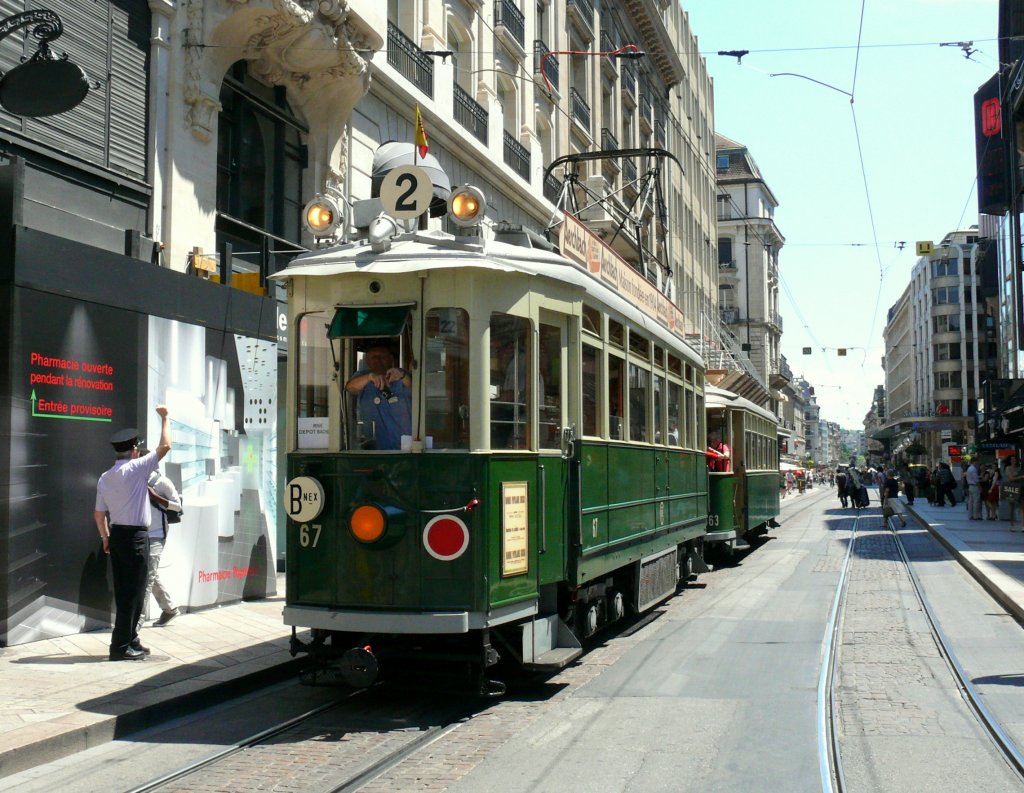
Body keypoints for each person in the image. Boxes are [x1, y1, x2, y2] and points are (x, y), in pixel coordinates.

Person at [94, 405, 172, 661]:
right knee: (133, 593)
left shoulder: (105, 477)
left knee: (128, 590)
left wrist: (105, 538)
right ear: (135, 450)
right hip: (137, 537)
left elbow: (98, 514)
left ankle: (132, 640)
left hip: (117, 536)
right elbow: (165, 446)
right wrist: (165, 418)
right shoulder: (137, 468)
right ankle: (119, 647)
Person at [137, 450, 181, 631]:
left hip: (156, 534)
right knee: (149, 573)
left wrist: (156, 497)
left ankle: (137, 622)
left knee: (147, 576)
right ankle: (169, 609)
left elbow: (178, 506)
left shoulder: (163, 482)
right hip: (138, 533)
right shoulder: (134, 480)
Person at [345, 343, 412, 450]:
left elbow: (418, 390)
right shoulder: (362, 376)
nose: (378, 360)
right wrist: (369, 377)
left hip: (404, 446)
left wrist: (402, 376)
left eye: (382, 357)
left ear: (391, 359)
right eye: (373, 357)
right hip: (374, 447)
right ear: (367, 360)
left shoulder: (402, 375)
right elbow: (350, 388)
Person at [1002, 456, 1023, 532]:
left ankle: (1022, 525)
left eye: (1015, 459)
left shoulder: (1019, 468)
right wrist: (1020, 476)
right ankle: (1012, 525)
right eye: (1012, 459)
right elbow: (1010, 478)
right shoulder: (1008, 468)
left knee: (1021, 506)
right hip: (1011, 488)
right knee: (1012, 507)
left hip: (1019, 488)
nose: (1014, 460)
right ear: (1010, 461)